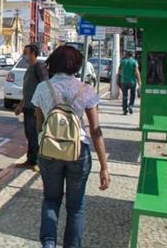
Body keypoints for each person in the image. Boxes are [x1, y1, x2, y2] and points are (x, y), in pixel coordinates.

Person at [31, 45, 111, 248]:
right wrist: (104, 166)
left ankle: (48, 244)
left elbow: (39, 125)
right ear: (76, 65)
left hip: (49, 152)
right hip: (78, 151)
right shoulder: (86, 90)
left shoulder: (43, 88)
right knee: (76, 208)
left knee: (50, 200)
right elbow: (95, 130)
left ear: (53, 63)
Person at [15, 44, 48, 171]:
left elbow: (44, 86)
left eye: (26, 52)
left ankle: (39, 162)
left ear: (33, 53)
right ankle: (31, 160)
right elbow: (28, 90)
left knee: (35, 134)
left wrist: (39, 106)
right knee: (30, 134)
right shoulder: (30, 68)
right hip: (28, 107)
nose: (24, 55)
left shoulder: (39, 66)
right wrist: (20, 104)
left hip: (36, 109)